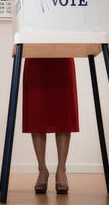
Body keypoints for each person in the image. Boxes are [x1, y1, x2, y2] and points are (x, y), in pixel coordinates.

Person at [22, 57, 79, 194]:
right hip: (35, 53)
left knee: (63, 111)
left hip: (63, 52)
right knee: (37, 112)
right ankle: (42, 169)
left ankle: (61, 169)